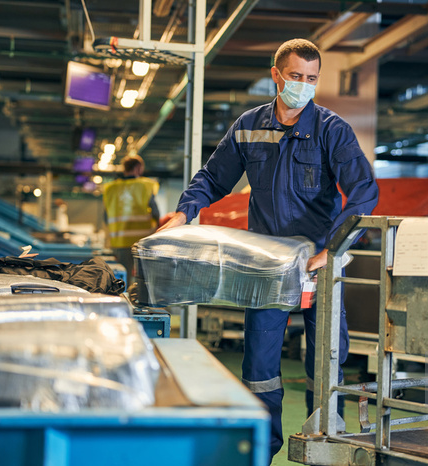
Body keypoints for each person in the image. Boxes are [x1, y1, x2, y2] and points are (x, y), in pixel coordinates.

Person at [158, 38, 379, 460]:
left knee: (327, 358)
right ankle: (263, 449)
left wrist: (332, 251)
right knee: (259, 365)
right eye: (296, 76)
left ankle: (324, 441)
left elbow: (364, 192)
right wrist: (186, 212)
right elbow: (213, 177)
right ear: (276, 75)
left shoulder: (332, 130)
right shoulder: (249, 126)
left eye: (311, 79)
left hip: (320, 263)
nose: (304, 85)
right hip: (268, 265)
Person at [102, 154, 160, 281]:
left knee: (123, 277)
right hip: (143, 241)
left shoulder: (111, 188)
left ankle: (123, 299)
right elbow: (155, 213)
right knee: (143, 278)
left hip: (119, 242)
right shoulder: (146, 186)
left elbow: (106, 217)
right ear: (138, 168)